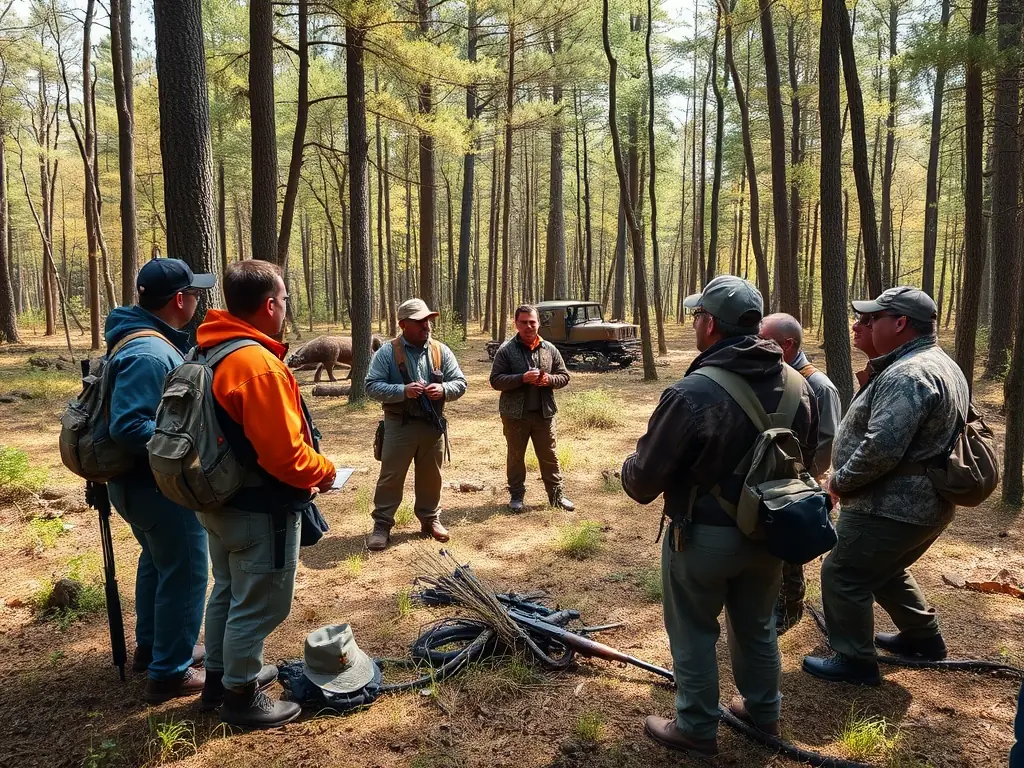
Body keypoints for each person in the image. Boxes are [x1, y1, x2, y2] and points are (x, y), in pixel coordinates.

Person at [621, 275, 818, 755]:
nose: (694, 325)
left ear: (709, 324)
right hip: (770, 534)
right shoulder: (799, 386)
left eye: (696, 317)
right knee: (757, 626)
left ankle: (695, 727)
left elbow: (642, 482)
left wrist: (628, 465)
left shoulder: (693, 391)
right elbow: (805, 462)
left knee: (693, 630)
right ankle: (764, 714)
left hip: (702, 537)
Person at [803, 286, 969, 686]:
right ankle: (923, 639)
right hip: (922, 504)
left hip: (891, 506)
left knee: (844, 573)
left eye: (871, 318)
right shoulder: (938, 362)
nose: (861, 324)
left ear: (899, 324)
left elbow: (882, 447)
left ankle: (854, 661)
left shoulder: (909, 374)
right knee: (885, 568)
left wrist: (837, 482)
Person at [195, 260, 336, 727]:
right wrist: (328, 470)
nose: (285, 307)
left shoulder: (209, 351)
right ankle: (241, 695)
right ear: (270, 304)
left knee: (229, 591)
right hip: (260, 509)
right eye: (284, 299)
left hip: (219, 501)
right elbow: (288, 459)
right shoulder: (256, 365)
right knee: (260, 604)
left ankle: (219, 676)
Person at [105, 258, 214, 703]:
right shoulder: (150, 353)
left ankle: (154, 649)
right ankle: (170, 671)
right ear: (179, 300)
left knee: (158, 564)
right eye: (195, 293)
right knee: (188, 572)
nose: (198, 301)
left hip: (138, 485)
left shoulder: (141, 340)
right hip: (155, 487)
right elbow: (129, 425)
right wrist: (189, 449)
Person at [759, 312, 841, 634]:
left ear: (787, 344)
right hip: (772, 479)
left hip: (797, 482)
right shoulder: (775, 377)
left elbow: (827, 442)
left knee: (790, 553)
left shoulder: (818, 385)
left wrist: (801, 477)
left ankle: (789, 612)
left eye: (764, 340)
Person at [365, 298, 468, 551]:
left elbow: (461, 383)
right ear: (403, 324)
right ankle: (382, 525)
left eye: (428, 321)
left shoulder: (440, 351)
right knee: (391, 476)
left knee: (432, 477)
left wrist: (443, 389)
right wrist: (403, 390)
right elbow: (370, 386)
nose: (426, 326)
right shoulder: (387, 353)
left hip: (433, 427)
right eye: (420, 321)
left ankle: (430, 519)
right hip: (399, 425)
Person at [489, 305, 574, 512]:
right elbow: (495, 380)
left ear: (538, 323)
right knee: (516, 456)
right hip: (515, 415)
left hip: (544, 414)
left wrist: (549, 379)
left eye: (532, 322)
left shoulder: (549, 349)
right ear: (516, 324)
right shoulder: (506, 350)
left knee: (549, 456)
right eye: (524, 322)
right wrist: (521, 378)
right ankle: (516, 496)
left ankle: (556, 497)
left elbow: (564, 376)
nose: (529, 326)